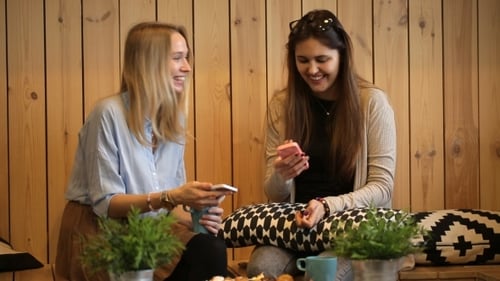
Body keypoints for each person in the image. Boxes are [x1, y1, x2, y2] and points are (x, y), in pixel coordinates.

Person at [55, 22, 231, 281]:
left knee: (211, 247)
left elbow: (168, 205)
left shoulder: (175, 120)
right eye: (177, 58)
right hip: (99, 229)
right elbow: (106, 203)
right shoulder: (108, 114)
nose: (187, 67)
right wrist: (172, 197)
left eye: (187, 58)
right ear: (150, 63)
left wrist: (197, 212)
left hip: (149, 226)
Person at [246, 9, 396, 280]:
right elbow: (275, 194)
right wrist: (282, 175)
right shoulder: (282, 105)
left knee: (322, 275)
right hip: (296, 227)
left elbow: (382, 187)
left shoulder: (372, 103)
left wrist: (327, 206)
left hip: (350, 229)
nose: (312, 70)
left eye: (322, 60)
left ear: (342, 57)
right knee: (261, 268)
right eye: (303, 60)